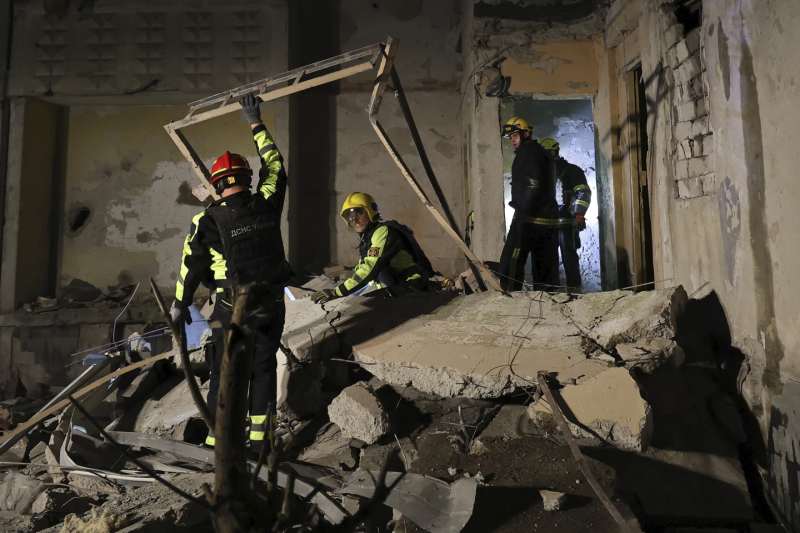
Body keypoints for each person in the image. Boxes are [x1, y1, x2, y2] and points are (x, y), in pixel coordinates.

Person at [171, 93, 291, 455]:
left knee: (224, 372)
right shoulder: (268, 200)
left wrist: (179, 305)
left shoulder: (206, 220)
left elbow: (190, 268)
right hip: (271, 302)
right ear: (247, 178)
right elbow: (275, 163)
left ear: (217, 184)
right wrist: (255, 121)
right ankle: (261, 444)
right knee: (264, 369)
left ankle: (220, 441)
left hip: (229, 308)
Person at [312, 192, 434, 304]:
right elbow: (362, 268)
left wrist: (337, 292)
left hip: (413, 285)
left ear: (371, 212)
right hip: (399, 282)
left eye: (359, 213)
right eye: (350, 216)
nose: (354, 220)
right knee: (359, 300)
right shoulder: (368, 237)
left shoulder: (383, 232)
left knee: (364, 305)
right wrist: (344, 291)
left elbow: (369, 269)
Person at [498, 117, 560, 291]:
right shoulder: (542, 153)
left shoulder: (527, 152)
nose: (512, 139)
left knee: (511, 262)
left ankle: (511, 301)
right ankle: (547, 305)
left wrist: (522, 215)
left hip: (531, 218)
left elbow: (533, 184)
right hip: (548, 220)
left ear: (526, 134)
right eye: (510, 136)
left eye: (515, 135)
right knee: (545, 268)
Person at [539, 137, 592, 292]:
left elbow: (583, 193)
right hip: (547, 227)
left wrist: (579, 214)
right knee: (548, 263)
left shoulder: (571, 171)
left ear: (554, 152)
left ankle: (575, 294)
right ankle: (551, 296)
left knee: (569, 260)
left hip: (567, 225)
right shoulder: (542, 175)